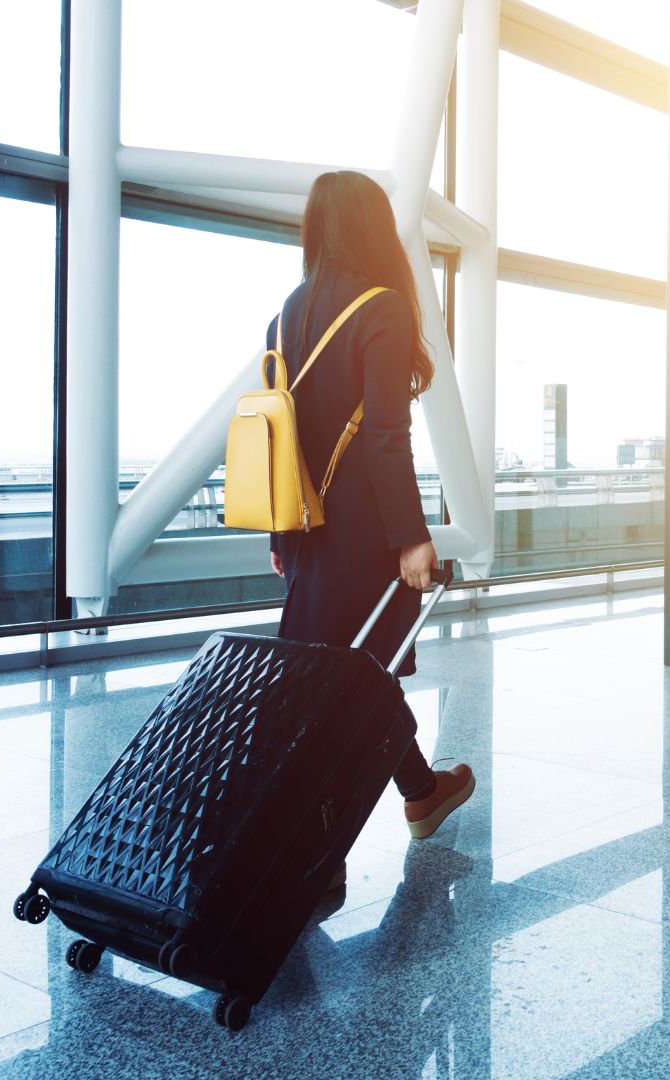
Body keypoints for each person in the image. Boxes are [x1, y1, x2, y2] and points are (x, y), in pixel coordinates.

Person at [265, 170, 476, 862]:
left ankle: (420, 794)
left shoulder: (285, 317)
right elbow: (387, 436)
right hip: (361, 538)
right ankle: (321, 850)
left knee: (340, 682)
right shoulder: (382, 308)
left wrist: (279, 535)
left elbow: (279, 442)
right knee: (357, 685)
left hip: (303, 534)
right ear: (370, 228)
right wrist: (412, 540)